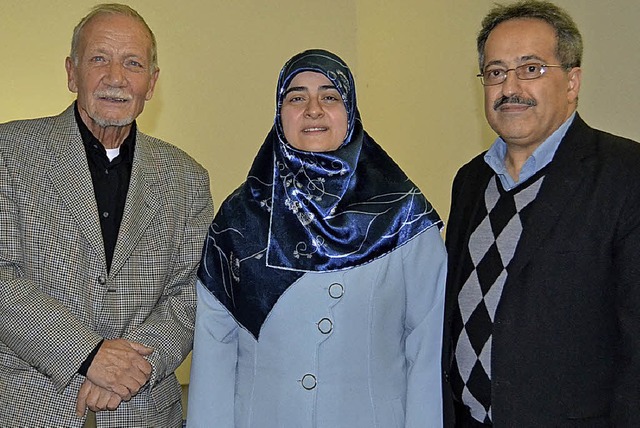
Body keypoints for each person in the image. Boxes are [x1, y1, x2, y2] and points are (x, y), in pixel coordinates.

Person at [187, 49, 446, 427]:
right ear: (280, 114)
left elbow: (425, 351)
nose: (313, 109)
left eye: (330, 96)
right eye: (296, 97)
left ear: (350, 112)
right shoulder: (238, 219)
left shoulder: (405, 215)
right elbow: (215, 350)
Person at [0, 3, 214, 427]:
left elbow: (193, 292)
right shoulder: (10, 152)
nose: (116, 78)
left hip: (144, 410)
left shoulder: (187, 177)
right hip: (27, 407)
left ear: (151, 83)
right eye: (99, 58)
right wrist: (87, 353)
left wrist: (128, 371)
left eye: (132, 64)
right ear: (71, 72)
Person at [442, 0, 640, 426]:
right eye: (496, 72)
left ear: (572, 81)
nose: (510, 87)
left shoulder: (626, 176)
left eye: (531, 68)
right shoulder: (470, 181)